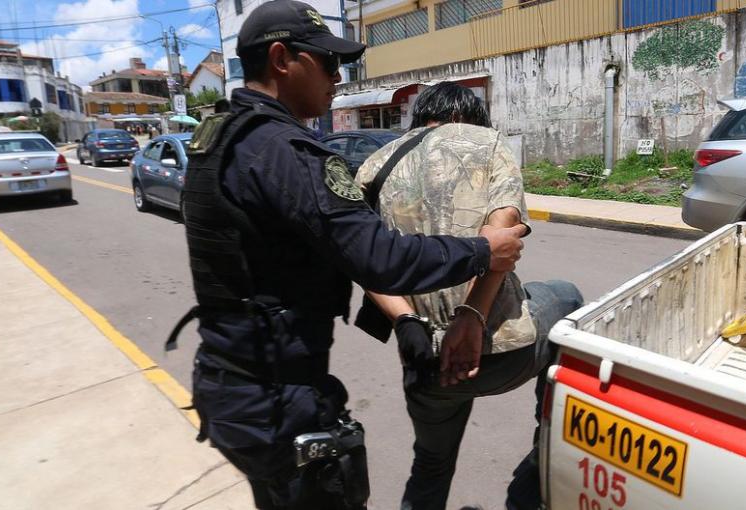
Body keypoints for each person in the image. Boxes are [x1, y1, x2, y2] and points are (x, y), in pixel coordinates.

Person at [171, 3, 530, 509]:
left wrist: (405, 321)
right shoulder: (286, 152)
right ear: (281, 58)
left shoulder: (221, 139)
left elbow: (322, 251)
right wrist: (482, 250)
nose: (338, 78)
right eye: (327, 62)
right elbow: (377, 257)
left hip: (228, 383)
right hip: (280, 398)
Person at [354, 82, 584, 510]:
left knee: (431, 465)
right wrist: (470, 318)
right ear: (469, 116)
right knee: (568, 298)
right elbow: (503, 232)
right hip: (497, 353)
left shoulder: (375, 163)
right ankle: (544, 446)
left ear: (420, 116)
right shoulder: (488, 142)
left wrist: (408, 322)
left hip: (427, 362)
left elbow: (363, 259)